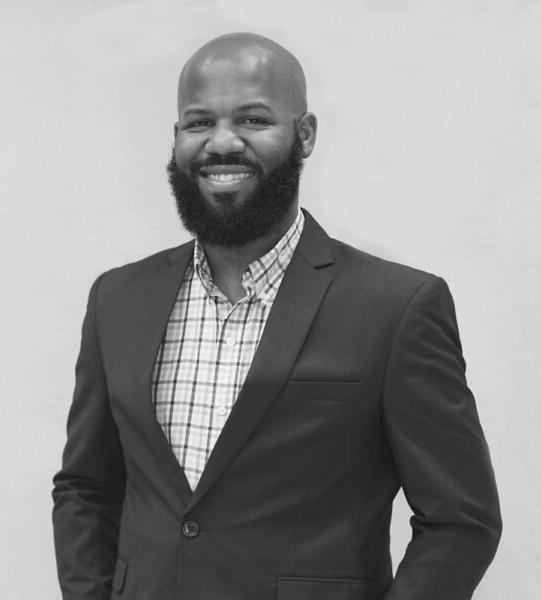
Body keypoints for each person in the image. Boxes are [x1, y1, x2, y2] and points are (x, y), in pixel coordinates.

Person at [52, 32, 501, 600]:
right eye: (198, 122)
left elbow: (461, 521)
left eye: (253, 119)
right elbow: (87, 487)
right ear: (177, 137)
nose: (222, 142)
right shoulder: (117, 299)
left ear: (304, 134)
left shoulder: (396, 307)